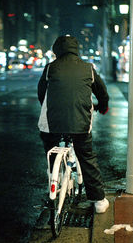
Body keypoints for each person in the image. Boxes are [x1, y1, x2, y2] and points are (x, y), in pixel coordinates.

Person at [37, 35, 110, 214]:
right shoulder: (88, 68)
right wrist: (102, 107)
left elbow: (41, 93)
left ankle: (55, 178)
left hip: (51, 123)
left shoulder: (50, 68)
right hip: (80, 123)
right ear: (76, 49)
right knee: (86, 157)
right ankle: (99, 200)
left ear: (56, 50)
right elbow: (102, 92)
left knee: (50, 149)